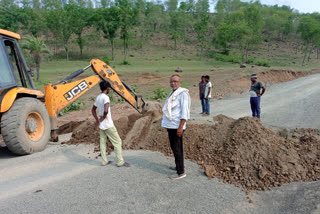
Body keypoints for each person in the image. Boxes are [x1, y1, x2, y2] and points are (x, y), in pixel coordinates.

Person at [91, 81, 130, 167]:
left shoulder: (98, 97)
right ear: (108, 88)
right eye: (109, 89)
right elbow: (106, 110)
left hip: (101, 125)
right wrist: (103, 117)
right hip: (108, 124)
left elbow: (93, 110)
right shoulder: (106, 98)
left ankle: (104, 161)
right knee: (117, 142)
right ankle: (120, 161)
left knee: (102, 142)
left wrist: (97, 119)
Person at [162, 74, 191, 180]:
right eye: (171, 81)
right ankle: (178, 166)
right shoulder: (172, 93)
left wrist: (180, 127)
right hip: (171, 125)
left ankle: (181, 172)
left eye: (175, 81)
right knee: (175, 148)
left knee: (178, 149)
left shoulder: (183, 94)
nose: (173, 83)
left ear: (180, 82)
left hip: (177, 126)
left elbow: (185, 111)